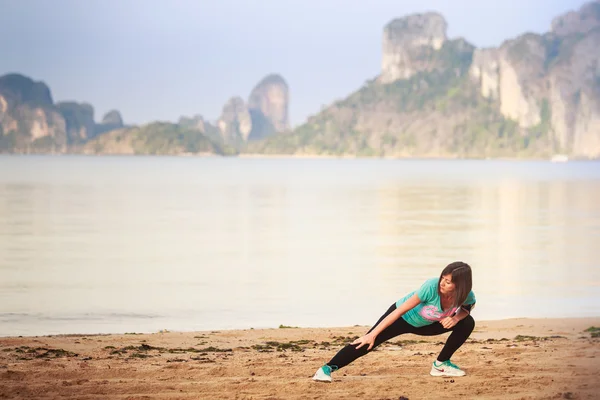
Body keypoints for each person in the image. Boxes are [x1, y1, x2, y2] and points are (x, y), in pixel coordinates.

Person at [312, 261, 476, 382]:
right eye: (442, 278)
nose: (442, 283)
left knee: (467, 322)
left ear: (460, 285)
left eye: (448, 282)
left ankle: (440, 365)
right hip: (403, 318)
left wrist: (455, 318)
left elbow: (468, 307)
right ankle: (326, 368)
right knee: (368, 342)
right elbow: (399, 310)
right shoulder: (431, 287)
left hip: (429, 324)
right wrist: (373, 334)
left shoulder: (466, 294)